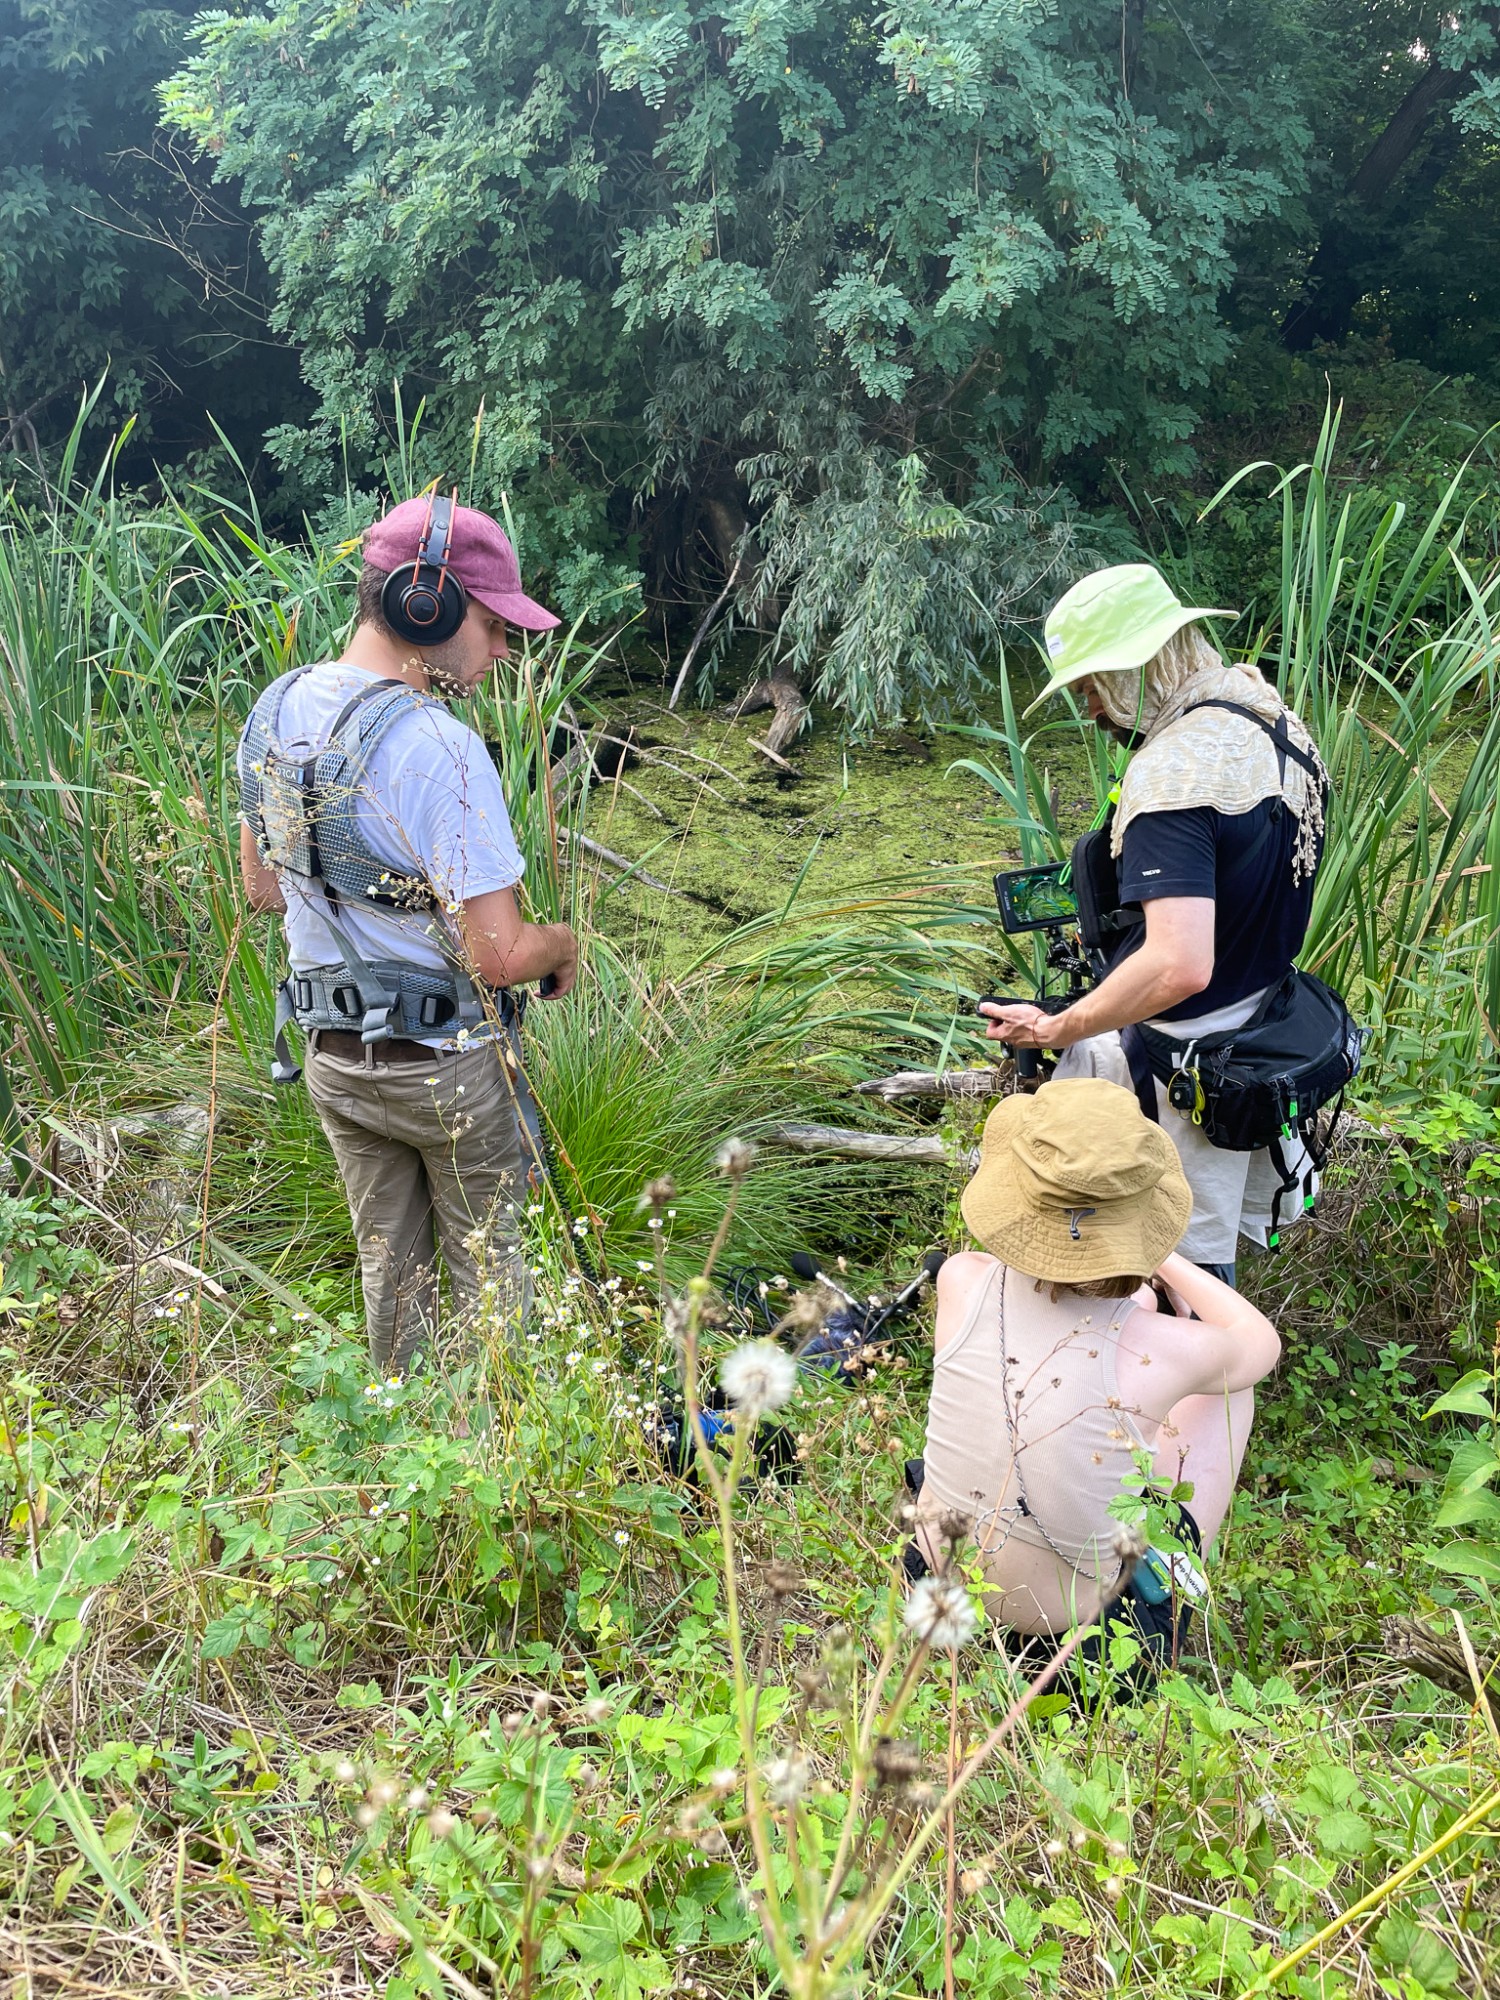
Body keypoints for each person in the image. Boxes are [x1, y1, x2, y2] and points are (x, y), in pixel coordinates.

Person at [236, 493, 578, 1374]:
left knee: (391, 1277)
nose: (503, 650)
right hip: (447, 1069)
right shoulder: (440, 748)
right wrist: (562, 944)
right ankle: (497, 1435)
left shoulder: (275, 711)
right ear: (424, 605)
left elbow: (263, 889)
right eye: (493, 625)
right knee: (492, 1279)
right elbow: (498, 958)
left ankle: (401, 1429)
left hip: (333, 1060)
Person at [981, 563, 1329, 1284]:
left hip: (1183, 1063)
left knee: (1161, 1261)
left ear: (1131, 668)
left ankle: (1166, 1361)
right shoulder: (1275, 726)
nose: (1089, 712)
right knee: (1199, 1268)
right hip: (1256, 1029)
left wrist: (1060, 1027)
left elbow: (1178, 965)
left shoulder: (1173, 775)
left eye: (1089, 689)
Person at [912, 1079, 1280, 1670]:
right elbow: (1260, 1344)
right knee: (1229, 1395)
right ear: (1143, 1218)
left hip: (939, 1583)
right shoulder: (1166, 1350)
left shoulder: (962, 1278)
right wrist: (1161, 1257)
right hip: (1084, 1646)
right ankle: (1172, 1568)